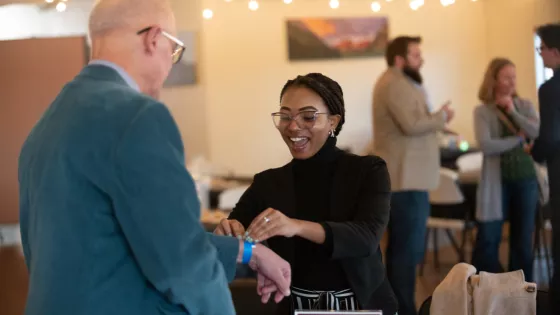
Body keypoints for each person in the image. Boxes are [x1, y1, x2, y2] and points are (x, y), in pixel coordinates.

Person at [17, 1, 291, 315]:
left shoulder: (45, 126)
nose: (171, 64)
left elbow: (116, 239)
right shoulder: (138, 117)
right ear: (154, 39)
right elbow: (182, 264)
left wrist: (247, 252)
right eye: (174, 51)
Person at [214, 73, 398, 315]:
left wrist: (296, 226)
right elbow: (235, 231)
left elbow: (366, 238)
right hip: (295, 307)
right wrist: (229, 231)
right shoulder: (268, 182)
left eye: (308, 117)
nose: (293, 126)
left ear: (333, 121)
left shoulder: (368, 170)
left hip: (363, 307)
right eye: (285, 116)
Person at [372, 36, 454, 315]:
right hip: (405, 182)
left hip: (407, 179)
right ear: (400, 59)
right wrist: (441, 117)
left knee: (402, 252)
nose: (422, 59)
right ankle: (403, 309)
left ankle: (398, 307)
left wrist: (436, 118)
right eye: (416, 55)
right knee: (406, 253)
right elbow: (412, 125)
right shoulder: (394, 84)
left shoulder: (400, 83)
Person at [471, 58, 540, 282]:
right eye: (506, 77)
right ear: (494, 80)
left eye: (514, 77)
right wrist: (517, 139)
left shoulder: (525, 105)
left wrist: (514, 112)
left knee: (522, 242)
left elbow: (536, 131)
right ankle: (489, 292)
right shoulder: (482, 111)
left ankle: (522, 293)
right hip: (495, 183)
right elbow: (486, 145)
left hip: (526, 180)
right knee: (489, 240)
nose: (512, 82)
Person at [531, 23, 560, 313]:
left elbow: (550, 137)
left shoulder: (551, 88)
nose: (540, 55)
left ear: (555, 52)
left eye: (541, 49)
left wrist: (535, 151)